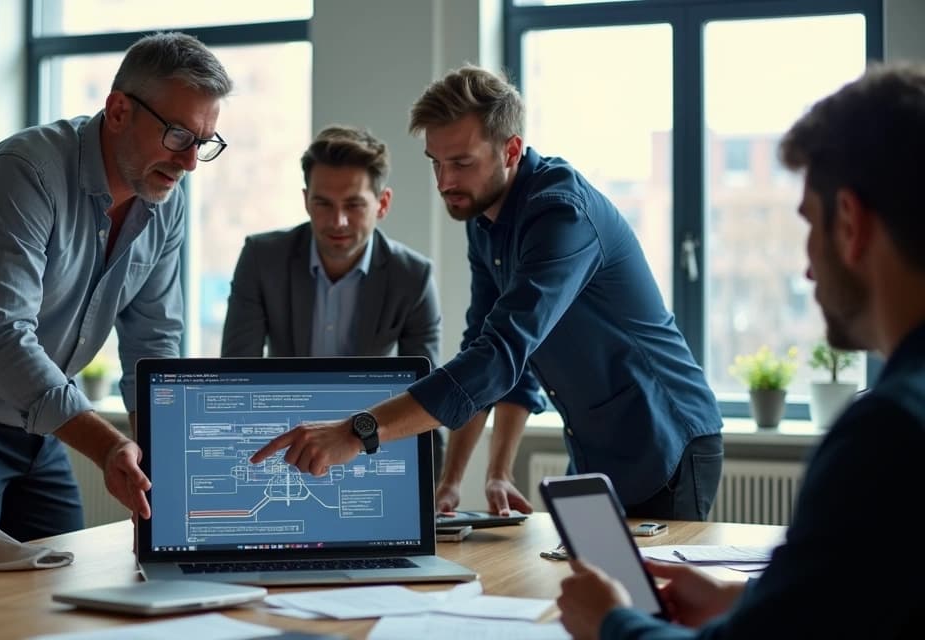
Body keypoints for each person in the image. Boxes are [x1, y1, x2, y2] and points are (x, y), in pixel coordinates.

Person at [251, 65, 723, 523]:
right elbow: (487, 349)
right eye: (436, 162)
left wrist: (358, 432)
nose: (444, 182)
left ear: (511, 149)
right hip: (597, 447)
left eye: (461, 163)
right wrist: (454, 482)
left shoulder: (561, 215)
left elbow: (500, 356)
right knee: (595, 588)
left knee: (656, 598)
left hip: (668, 441)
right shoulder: (485, 222)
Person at [555, 62, 925, 640]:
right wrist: (747, 601)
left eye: (808, 225)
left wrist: (611, 623)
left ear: (850, 223)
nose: (806, 266)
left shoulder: (889, 433)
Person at [0, 32, 232, 562]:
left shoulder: (166, 198)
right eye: (179, 135)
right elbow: (3, 338)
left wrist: (161, 457)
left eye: (204, 142)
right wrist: (109, 445)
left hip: (36, 423)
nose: (190, 163)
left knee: (61, 581)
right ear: (117, 111)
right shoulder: (25, 172)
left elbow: (152, 337)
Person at [220, 125, 445, 473]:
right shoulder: (262, 259)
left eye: (354, 205)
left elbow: (426, 398)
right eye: (323, 203)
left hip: (368, 445)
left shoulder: (413, 277)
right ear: (306, 200)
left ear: (382, 204)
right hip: (280, 444)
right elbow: (237, 378)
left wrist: (435, 492)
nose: (338, 221)